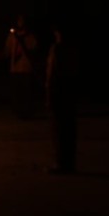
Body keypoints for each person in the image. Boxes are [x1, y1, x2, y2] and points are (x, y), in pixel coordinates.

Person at [45, 18, 79, 175]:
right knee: (68, 129)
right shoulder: (72, 49)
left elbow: (53, 73)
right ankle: (68, 162)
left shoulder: (57, 49)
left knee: (60, 129)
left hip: (60, 92)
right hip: (69, 92)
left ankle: (61, 163)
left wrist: (49, 91)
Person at [2, 13, 39, 118]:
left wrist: (23, 43)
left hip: (26, 68)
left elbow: (34, 51)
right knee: (17, 91)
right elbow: (7, 50)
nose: (20, 22)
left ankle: (27, 111)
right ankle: (17, 111)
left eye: (22, 20)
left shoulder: (30, 36)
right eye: (19, 20)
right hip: (15, 68)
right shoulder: (12, 36)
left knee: (27, 92)